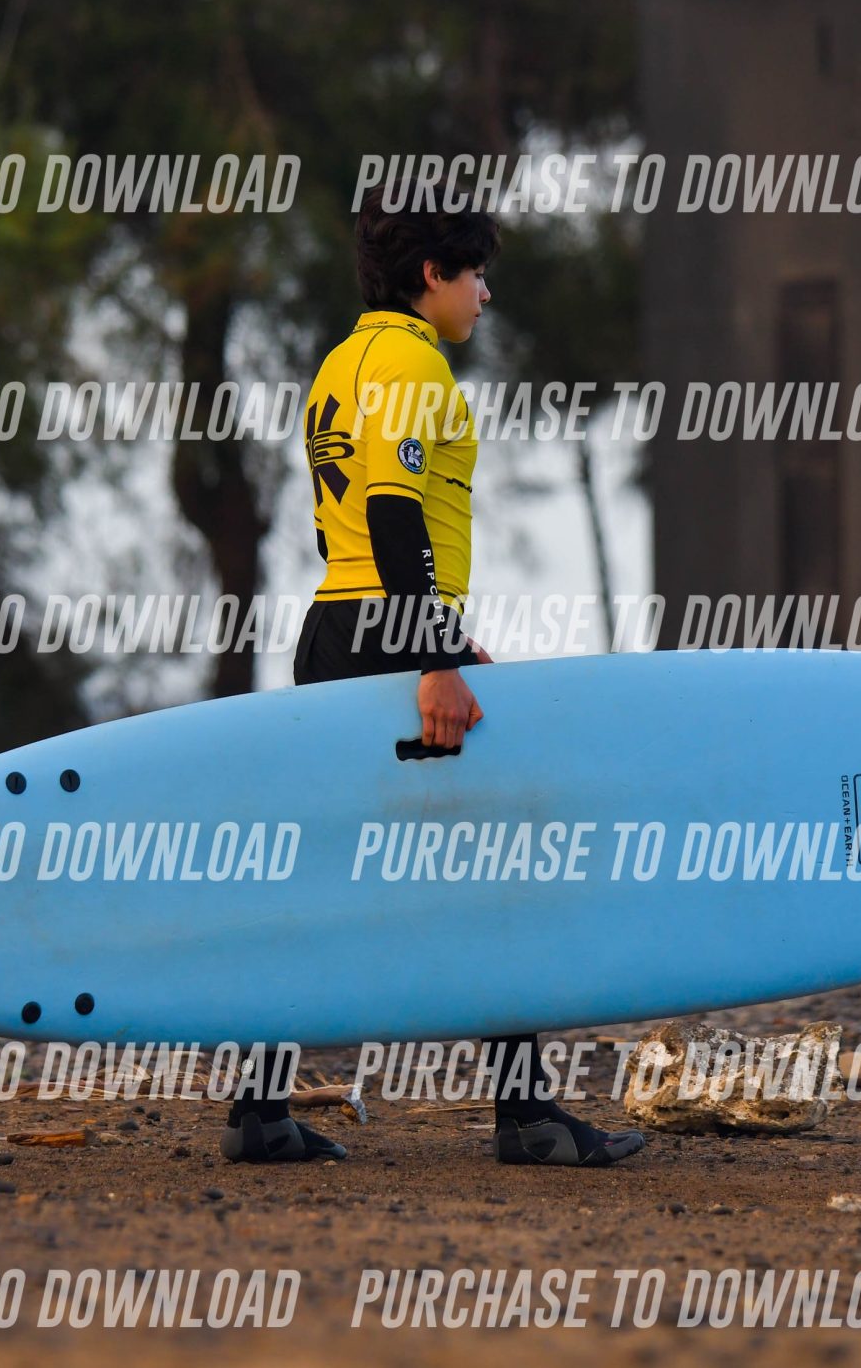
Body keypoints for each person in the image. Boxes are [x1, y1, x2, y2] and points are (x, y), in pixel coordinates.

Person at [221, 191, 645, 1168]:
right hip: (392, 633)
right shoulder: (413, 363)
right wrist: (432, 652)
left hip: (333, 629)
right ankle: (527, 1116)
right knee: (503, 861)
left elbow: (351, 529)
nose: (484, 296)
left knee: (317, 870)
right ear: (431, 275)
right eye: (476, 275)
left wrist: (445, 639)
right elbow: (393, 513)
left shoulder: (340, 364)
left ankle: (259, 1107)